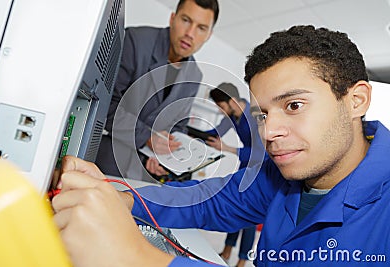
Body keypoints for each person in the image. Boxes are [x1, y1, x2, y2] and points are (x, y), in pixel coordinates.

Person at [53, 25, 390, 267]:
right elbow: (205, 201)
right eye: (261, 115)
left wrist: (138, 257)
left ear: (356, 101)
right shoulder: (285, 177)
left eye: (294, 106)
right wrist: (121, 197)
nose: (269, 131)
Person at [95, 0, 219, 181]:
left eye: (201, 28)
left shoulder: (195, 75)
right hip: (104, 161)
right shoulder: (136, 41)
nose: (190, 34)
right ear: (173, 18)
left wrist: (165, 158)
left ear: (208, 35)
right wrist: (146, 137)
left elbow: (178, 127)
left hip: (142, 175)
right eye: (186, 20)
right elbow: (105, 104)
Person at [206, 82, 259, 267]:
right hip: (244, 166)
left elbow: (260, 151)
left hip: (259, 168)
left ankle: (243, 259)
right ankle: (227, 250)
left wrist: (227, 148)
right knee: (236, 207)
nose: (221, 111)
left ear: (233, 101)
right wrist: (188, 133)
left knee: (250, 215)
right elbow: (215, 132)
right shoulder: (232, 115)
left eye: (222, 107)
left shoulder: (254, 116)